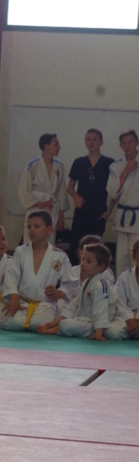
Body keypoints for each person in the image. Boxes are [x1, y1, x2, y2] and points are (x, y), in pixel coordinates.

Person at [2, 211, 78, 331]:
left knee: (38, 324)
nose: (32, 230)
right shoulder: (20, 252)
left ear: (49, 230)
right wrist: (13, 295)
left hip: (46, 304)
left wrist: (60, 293)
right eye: (29, 227)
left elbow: (71, 282)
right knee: (13, 324)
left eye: (37, 226)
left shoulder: (59, 256)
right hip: (22, 302)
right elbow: (11, 275)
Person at [37, 243, 127, 341]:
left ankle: (56, 329)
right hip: (87, 320)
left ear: (101, 267)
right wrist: (56, 321)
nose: (83, 264)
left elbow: (101, 310)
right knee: (64, 323)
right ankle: (55, 327)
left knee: (65, 325)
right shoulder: (86, 283)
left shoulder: (101, 285)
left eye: (88, 261)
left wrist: (98, 332)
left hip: (102, 322)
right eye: (83, 260)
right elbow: (74, 304)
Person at [67, 129, 115, 263]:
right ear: (85, 143)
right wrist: (75, 195)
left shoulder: (109, 163)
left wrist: (108, 212)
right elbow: (70, 187)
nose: (91, 142)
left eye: (94, 139)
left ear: (101, 142)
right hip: (81, 212)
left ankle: (94, 275)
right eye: (88, 139)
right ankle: (76, 274)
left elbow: (116, 190)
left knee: (95, 251)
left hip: (99, 214)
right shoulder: (79, 162)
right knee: (76, 248)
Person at [17, 134, 70, 245]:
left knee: (49, 243)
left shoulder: (59, 166)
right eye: (56, 144)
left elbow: (61, 192)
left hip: (52, 209)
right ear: (46, 146)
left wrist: (61, 217)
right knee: (31, 242)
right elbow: (24, 190)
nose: (59, 147)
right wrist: (41, 204)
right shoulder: (32, 164)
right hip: (35, 209)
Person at [107, 130, 139, 277]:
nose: (127, 145)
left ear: (137, 143)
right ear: (120, 145)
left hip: (138, 216)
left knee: (136, 259)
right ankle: (121, 289)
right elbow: (113, 193)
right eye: (124, 143)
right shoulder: (116, 166)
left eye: (130, 142)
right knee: (121, 259)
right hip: (122, 218)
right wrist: (125, 172)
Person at [113, 238, 139, 339]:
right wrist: (129, 318)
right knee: (113, 332)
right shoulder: (125, 277)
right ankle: (134, 331)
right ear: (134, 257)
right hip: (127, 318)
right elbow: (119, 302)